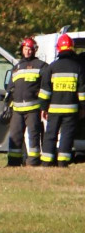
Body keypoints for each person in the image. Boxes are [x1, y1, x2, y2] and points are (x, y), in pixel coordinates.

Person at [38, 33, 84, 167]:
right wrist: (83, 108)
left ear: (58, 49)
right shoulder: (78, 67)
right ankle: (62, 162)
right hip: (71, 109)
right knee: (66, 135)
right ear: (72, 48)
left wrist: (43, 108)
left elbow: (45, 91)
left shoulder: (52, 67)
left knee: (50, 135)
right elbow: (82, 92)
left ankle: (46, 162)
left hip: (53, 109)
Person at [4, 36, 47, 167]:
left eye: (30, 49)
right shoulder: (16, 67)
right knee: (15, 135)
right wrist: (7, 105)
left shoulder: (41, 66)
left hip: (33, 108)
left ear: (35, 50)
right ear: (22, 49)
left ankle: (33, 162)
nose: (28, 51)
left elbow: (46, 87)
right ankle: (13, 162)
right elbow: (11, 88)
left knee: (33, 135)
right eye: (25, 48)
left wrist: (44, 106)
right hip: (17, 109)